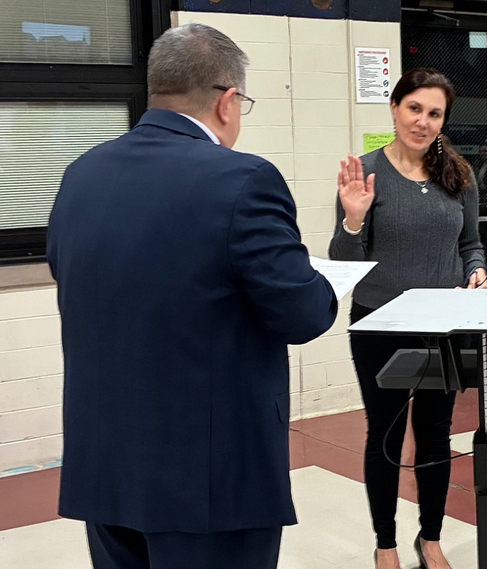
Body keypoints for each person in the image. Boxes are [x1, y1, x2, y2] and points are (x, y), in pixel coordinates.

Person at [46, 24, 339, 569]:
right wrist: (321, 282)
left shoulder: (80, 174)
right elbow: (301, 314)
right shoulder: (243, 180)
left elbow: (78, 278)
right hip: (210, 479)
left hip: (105, 465)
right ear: (228, 100)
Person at [329, 68, 487, 569]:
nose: (422, 121)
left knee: (437, 434)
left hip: (443, 324)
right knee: (386, 434)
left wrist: (477, 269)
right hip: (379, 324)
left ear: (444, 120)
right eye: (414, 108)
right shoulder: (366, 173)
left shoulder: (458, 175)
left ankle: (431, 536)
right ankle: (385, 542)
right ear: (395, 108)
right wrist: (354, 218)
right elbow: (344, 260)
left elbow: (470, 243)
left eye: (434, 113)